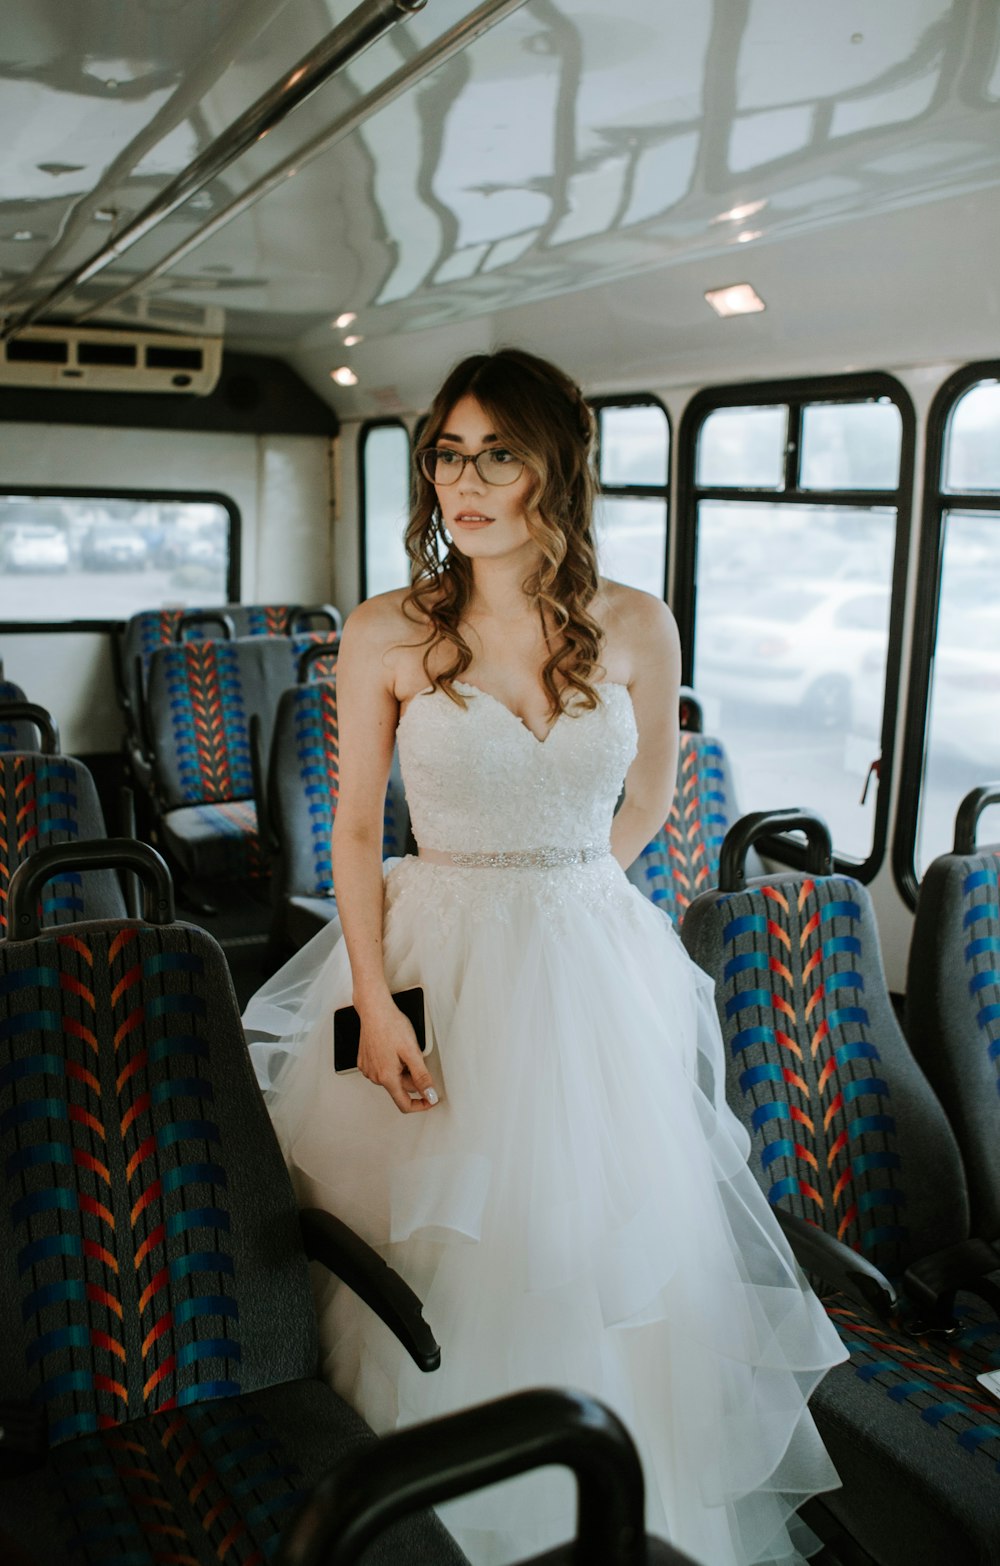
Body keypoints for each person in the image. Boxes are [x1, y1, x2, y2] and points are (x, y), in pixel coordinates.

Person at [243, 348, 847, 1566]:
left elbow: (651, 795)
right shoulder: (387, 631)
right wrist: (374, 990)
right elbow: (355, 827)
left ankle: (615, 1514)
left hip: (587, 958)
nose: (463, 483)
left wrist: (572, 893)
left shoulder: (636, 623)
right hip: (433, 948)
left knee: (597, 1242)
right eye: (448, 455)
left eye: (497, 455)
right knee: (435, 1248)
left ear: (554, 470)